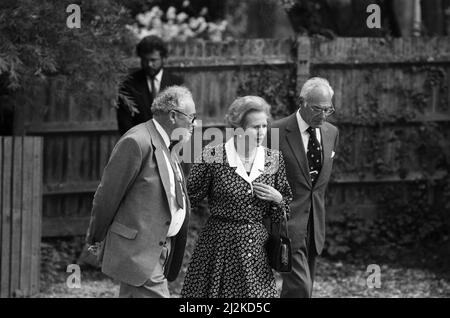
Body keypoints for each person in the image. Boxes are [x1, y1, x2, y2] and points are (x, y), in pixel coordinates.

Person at [86, 86, 197, 298]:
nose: (193, 124)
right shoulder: (136, 141)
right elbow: (107, 195)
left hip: (161, 250)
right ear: (173, 116)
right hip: (138, 252)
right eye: (191, 117)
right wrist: (95, 236)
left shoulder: (169, 144)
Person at [181, 96, 293, 298]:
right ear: (238, 129)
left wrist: (277, 199)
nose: (261, 132)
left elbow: (283, 212)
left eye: (264, 126)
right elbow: (188, 198)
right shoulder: (213, 155)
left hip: (256, 250)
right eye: (255, 127)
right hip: (219, 247)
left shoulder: (273, 159)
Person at [271, 77, 339, 298]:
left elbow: (317, 184)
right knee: (301, 287)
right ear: (302, 102)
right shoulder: (276, 131)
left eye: (328, 110)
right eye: (318, 109)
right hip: (286, 224)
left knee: (302, 290)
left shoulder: (331, 133)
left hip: (314, 224)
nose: (322, 115)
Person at [116, 35, 183, 136]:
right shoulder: (128, 85)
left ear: (164, 59)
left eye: (153, 60)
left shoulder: (177, 84)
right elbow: (125, 124)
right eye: (145, 60)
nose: (149, 64)